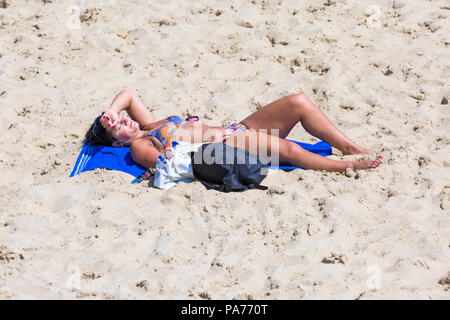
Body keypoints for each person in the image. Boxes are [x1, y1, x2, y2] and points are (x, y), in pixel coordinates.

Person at [85, 89, 383, 172]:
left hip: (238, 129)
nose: (124, 120)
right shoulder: (139, 145)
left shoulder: (150, 125)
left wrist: (111, 112)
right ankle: (346, 165)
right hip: (230, 146)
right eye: (118, 126)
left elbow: (128, 95)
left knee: (298, 102)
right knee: (291, 151)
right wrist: (207, 145)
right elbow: (168, 163)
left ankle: (348, 146)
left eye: (121, 117)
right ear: (116, 144)